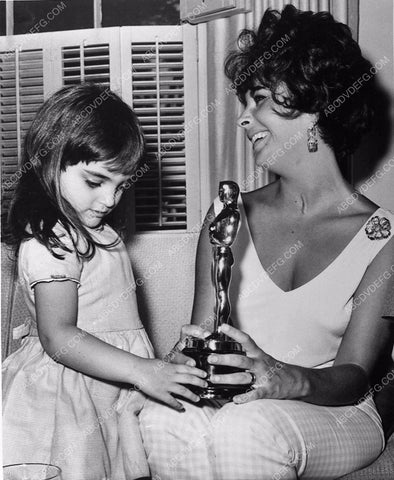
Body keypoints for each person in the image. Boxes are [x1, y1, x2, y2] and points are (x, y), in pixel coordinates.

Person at [139, 5, 394, 479]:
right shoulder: (227, 214)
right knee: (161, 420)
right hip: (242, 405)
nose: (243, 118)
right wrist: (186, 363)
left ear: (316, 108)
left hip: (339, 411)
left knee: (246, 427)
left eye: (258, 99)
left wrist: (282, 378)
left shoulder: (384, 240)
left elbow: (355, 375)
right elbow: (204, 333)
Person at [2, 83, 207, 480]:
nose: (111, 200)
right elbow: (59, 338)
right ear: (48, 162)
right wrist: (141, 370)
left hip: (110, 390)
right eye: (96, 182)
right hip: (67, 400)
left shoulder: (103, 235)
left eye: (121, 185)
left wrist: (155, 366)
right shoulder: (53, 240)